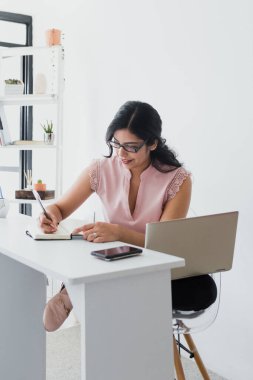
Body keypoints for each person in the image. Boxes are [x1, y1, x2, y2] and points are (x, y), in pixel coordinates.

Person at [40, 100, 217, 332]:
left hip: (154, 263)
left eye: (131, 146)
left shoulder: (178, 180)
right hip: (111, 259)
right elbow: (60, 209)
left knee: (204, 290)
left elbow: (165, 246)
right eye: (116, 143)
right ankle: (90, 291)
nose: (121, 154)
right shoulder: (100, 169)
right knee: (84, 246)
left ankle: (77, 291)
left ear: (152, 143)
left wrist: (118, 233)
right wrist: (50, 215)